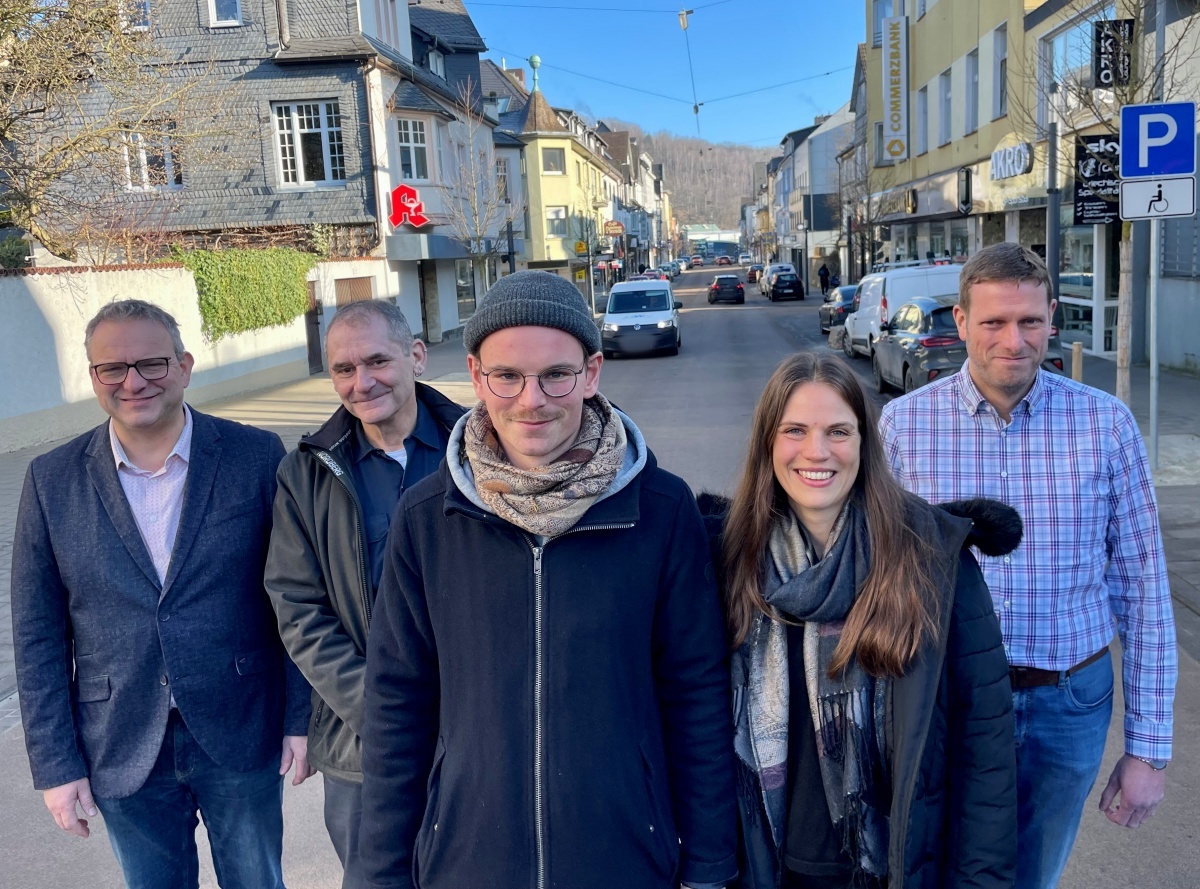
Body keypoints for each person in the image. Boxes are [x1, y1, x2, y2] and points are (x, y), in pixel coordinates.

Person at [359, 270, 737, 889]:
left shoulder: (662, 510)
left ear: (591, 372)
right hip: (468, 861)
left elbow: (695, 693)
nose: (531, 399)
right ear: (477, 376)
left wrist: (708, 866)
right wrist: (379, 874)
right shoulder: (429, 517)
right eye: (507, 376)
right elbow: (397, 704)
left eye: (555, 374)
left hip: (624, 861)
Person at [880, 242, 1177, 889]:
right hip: (947, 699)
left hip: (1067, 702)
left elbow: (1145, 590)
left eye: (1029, 321)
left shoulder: (1107, 425)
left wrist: (1148, 747)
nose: (1013, 340)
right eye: (993, 322)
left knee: (1032, 875)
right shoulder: (902, 427)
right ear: (961, 323)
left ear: (1053, 319)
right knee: (936, 867)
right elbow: (876, 580)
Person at [11, 299, 310, 889]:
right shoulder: (51, 479)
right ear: (93, 378)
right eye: (112, 369)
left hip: (240, 726)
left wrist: (301, 718)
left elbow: (293, 599)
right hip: (120, 741)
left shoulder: (255, 456)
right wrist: (55, 765)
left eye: (152, 363)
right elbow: (37, 632)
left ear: (185, 364)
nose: (134, 381)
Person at [701, 351, 1019, 888]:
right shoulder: (724, 560)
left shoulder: (933, 559)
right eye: (794, 430)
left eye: (838, 431)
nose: (816, 452)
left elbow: (985, 751)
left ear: (866, 444)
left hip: (887, 867)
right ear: (767, 443)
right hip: (765, 866)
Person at [264, 300, 465, 889]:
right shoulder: (305, 472)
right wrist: (379, 710)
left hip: (476, 730)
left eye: (377, 360)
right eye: (343, 369)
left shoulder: (480, 446)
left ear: (417, 356)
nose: (362, 381)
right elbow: (297, 607)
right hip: (363, 745)